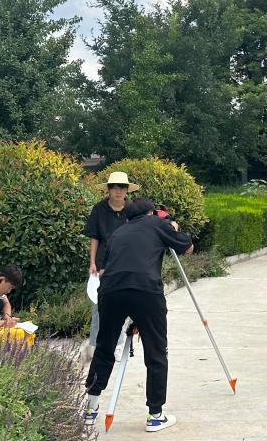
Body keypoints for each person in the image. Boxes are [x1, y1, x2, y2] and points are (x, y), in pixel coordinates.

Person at [84, 197, 194, 433]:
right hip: (145, 291)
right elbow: (188, 247)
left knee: (104, 349)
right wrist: (173, 228)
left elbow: (105, 266)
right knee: (156, 352)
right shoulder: (158, 224)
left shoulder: (117, 233)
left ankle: (90, 410)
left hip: (110, 292)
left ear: (128, 218)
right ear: (151, 213)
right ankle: (155, 415)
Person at [82, 171, 141, 361]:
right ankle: (98, 344)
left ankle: (120, 342)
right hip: (103, 264)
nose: (118, 191)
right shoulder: (99, 209)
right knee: (100, 305)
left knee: (125, 303)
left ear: (127, 190)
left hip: (127, 263)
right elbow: (94, 237)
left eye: (122, 187)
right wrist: (92, 262)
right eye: (114, 187)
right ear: (108, 189)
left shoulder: (132, 209)